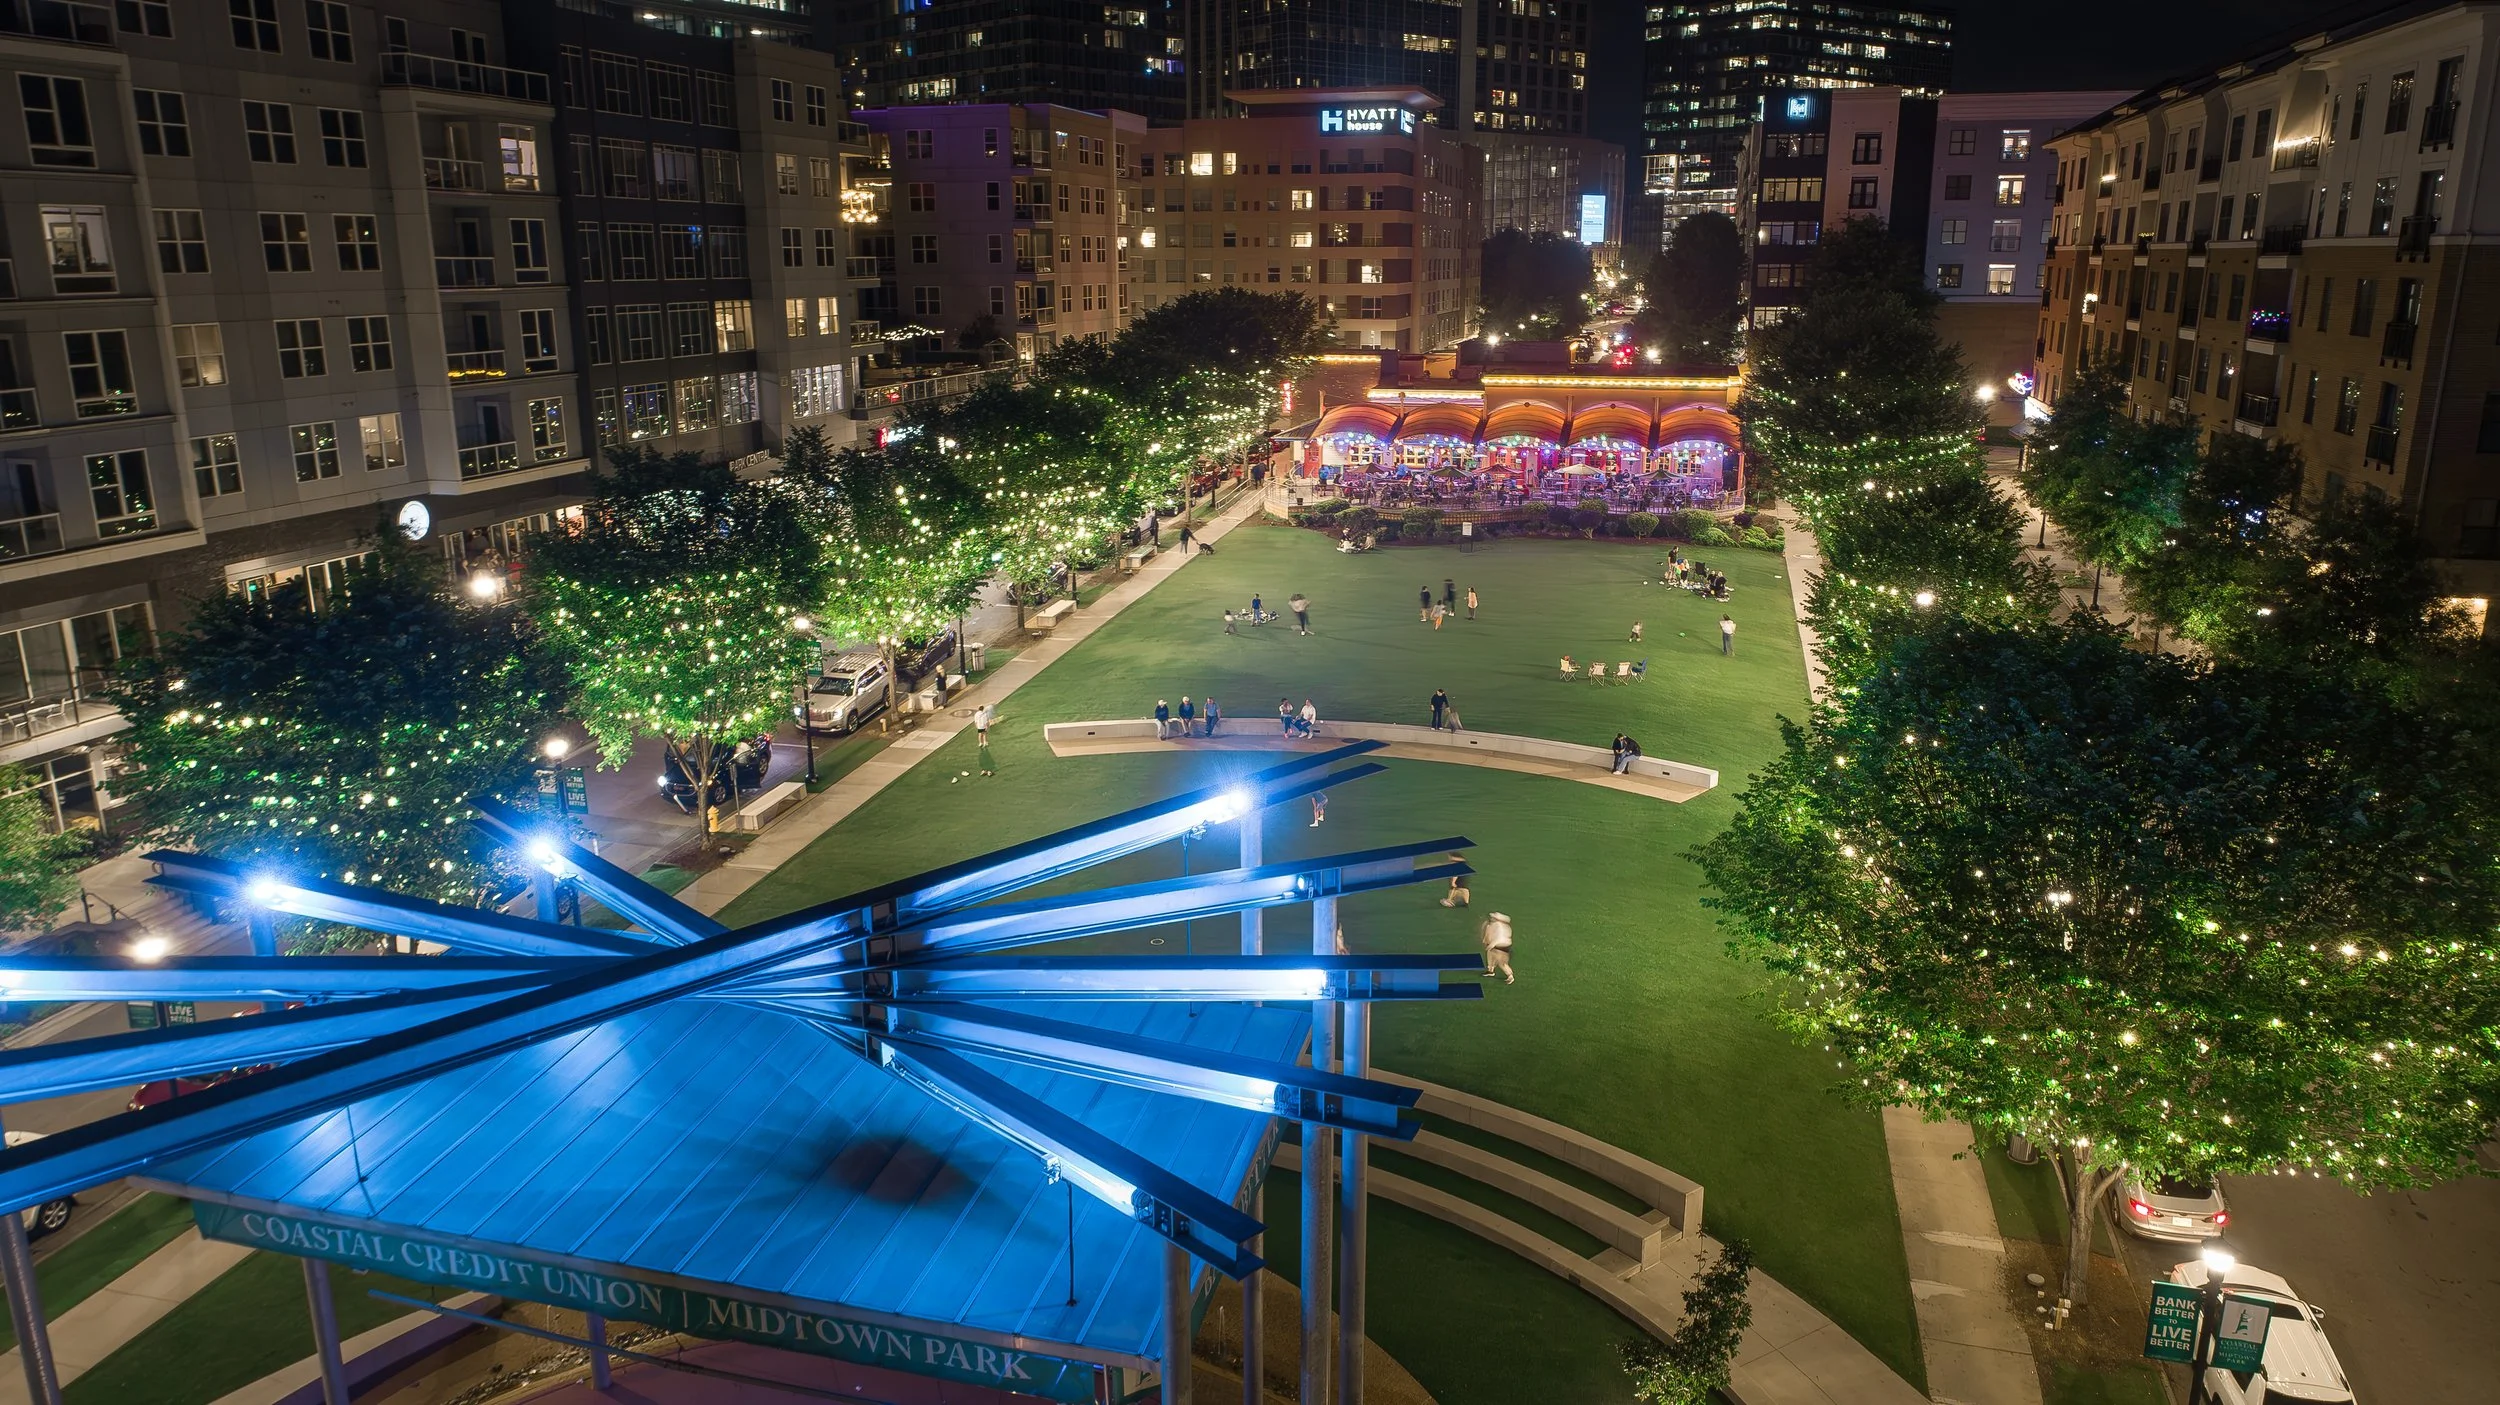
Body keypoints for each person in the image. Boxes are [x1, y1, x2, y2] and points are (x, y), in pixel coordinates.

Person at [1480, 912, 1515, 984]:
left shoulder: (1499, 927)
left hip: (1501, 946)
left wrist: (1491, 945)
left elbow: (1499, 938)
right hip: (1496, 945)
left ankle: (1510, 976)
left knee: (1502, 963)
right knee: (1490, 955)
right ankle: (1490, 970)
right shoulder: (1493, 925)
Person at [974, 703, 997, 776]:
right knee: (984, 734)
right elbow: (987, 721)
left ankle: (980, 743)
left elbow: (975, 721)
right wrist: (987, 726)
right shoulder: (984, 714)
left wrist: (977, 726)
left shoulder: (976, 714)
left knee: (980, 734)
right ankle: (985, 742)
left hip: (979, 726)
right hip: (983, 725)